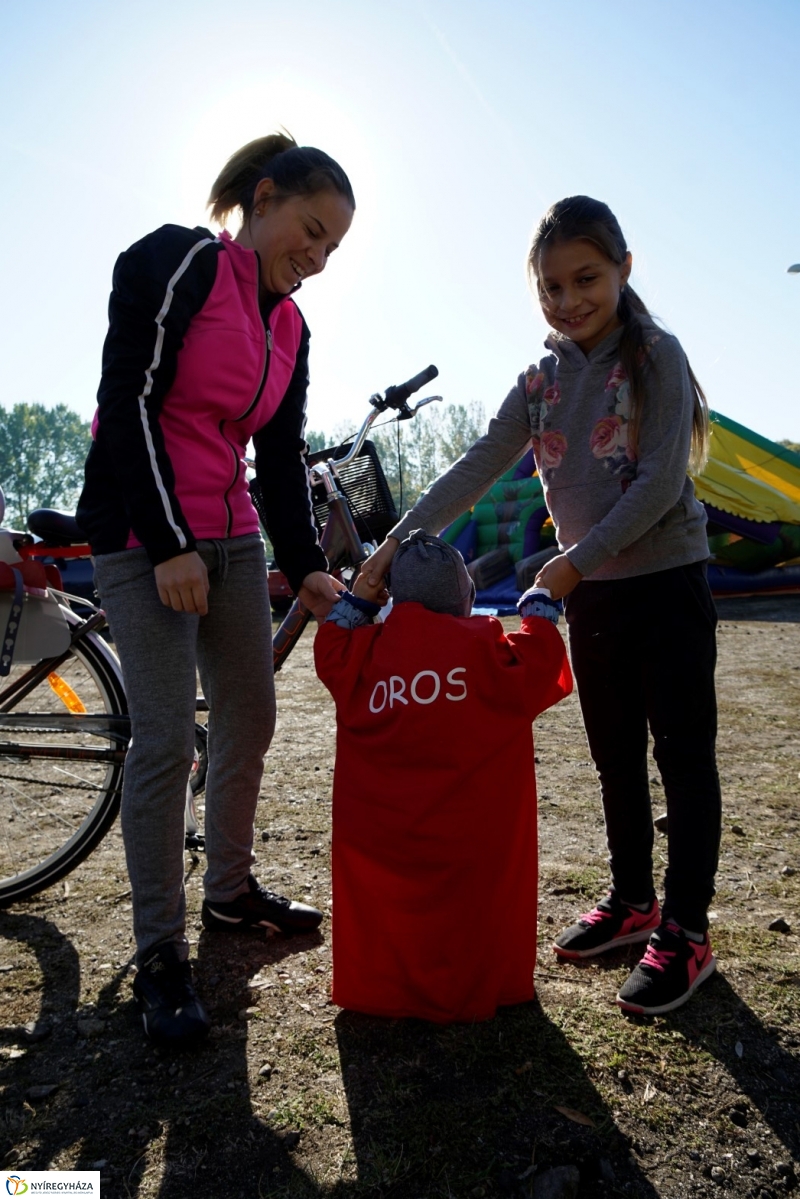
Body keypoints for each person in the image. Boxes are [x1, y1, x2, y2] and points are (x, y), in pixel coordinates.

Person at [362, 197, 722, 1017]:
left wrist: (572, 563)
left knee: (684, 756)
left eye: (585, 279)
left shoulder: (655, 356)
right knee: (613, 755)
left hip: (665, 583)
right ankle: (635, 900)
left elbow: (662, 481)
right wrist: (397, 540)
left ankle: (688, 929)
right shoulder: (540, 381)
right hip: (590, 595)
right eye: (550, 286)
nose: (568, 300)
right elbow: (478, 464)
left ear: (625, 270)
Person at [77, 132, 354, 1045]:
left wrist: (306, 561)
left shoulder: (291, 327)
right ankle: (161, 951)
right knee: (162, 740)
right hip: (142, 533)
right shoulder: (177, 261)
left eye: (330, 250)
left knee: (252, 714)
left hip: (231, 537)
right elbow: (129, 403)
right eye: (308, 230)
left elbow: (277, 457)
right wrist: (166, 543)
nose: (313, 260)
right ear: (263, 197)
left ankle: (229, 893)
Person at [315, 531, 572, 1022]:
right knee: (472, 915)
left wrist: (364, 592)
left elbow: (334, 637)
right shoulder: (490, 651)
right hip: (472, 851)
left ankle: (384, 985)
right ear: (466, 598)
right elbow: (542, 657)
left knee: (391, 913)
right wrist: (540, 600)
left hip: (383, 848)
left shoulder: (362, 657)